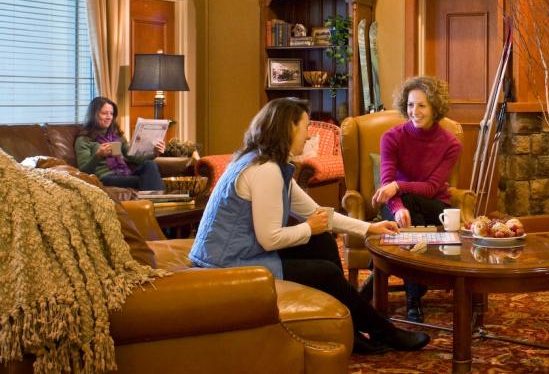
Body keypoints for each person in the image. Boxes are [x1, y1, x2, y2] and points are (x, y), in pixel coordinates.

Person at [189, 97, 429, 354]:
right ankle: (385, 333)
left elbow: (317, 214)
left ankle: (350, 330)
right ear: (289, 128)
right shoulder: (266, 171)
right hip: (226, 264)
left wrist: (369, 228)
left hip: (241, 252)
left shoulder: (267, 163)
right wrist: (309, 228)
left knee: (322, 240)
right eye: (305, 128)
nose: (308, 136)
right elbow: (270, 239)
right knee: (324, 271)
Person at [370, 75, 461, 321]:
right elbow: (387, 182)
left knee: (412, 208)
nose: (414, 111)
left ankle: (376, 276)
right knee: (408, 216)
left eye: (422, 105)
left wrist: (398, 186)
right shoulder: (391, 137)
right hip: (397, 205)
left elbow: (432, 188)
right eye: (410, 105)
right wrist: (398, 207)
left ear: (435, 107)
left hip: (435, 205)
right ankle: (414, 296)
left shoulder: (451, 143)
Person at [75, 96, 165, 191]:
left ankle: (155, 201)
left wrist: (154, 153)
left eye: (111, 114)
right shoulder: (84, 140)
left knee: (149, 164)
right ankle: (159, 203)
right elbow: (84, 171)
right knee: (147, 180)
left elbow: (133, 157)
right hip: (106, 177)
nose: (109, 117)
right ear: (94, 115)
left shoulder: (117, 135)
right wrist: (98, 155)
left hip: (124, 173)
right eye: (104, 113)